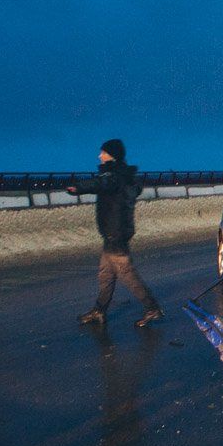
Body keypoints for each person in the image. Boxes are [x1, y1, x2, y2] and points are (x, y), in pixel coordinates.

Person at [68, 139, 162, 328]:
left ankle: (152, 308)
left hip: (115, 233)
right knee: (105, 274)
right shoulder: (123, 175)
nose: (99, 156)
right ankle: (99, 311)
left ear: (112, 155)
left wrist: (77, 188)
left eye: (103, 152)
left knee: (126, 274)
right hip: (115, 232)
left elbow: (99, 183)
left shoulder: (114, 176)